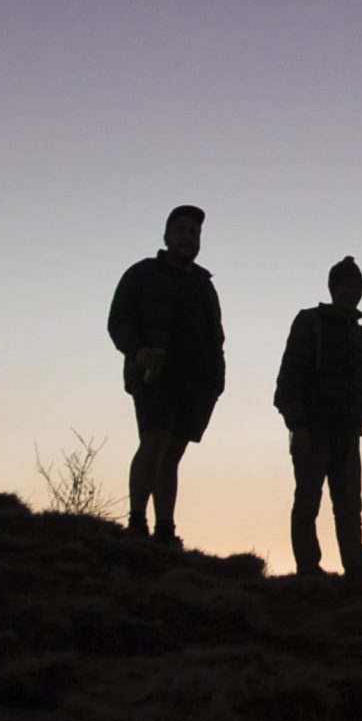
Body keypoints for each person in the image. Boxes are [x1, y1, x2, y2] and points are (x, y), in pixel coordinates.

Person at [107, 205, 226, 550]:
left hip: (196, 382)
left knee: (172, 453)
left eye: (194, 232)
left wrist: (216, 379)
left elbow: (215, 335)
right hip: (154, 374)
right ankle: (137, 521)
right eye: (182, 230)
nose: (188, 237)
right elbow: (119, 320)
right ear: (167, 236)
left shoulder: (204, 285)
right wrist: (138, 351)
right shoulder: (142, 273)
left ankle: (164, 527)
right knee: (155, 442)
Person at [276, 256, 362, 596]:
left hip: (348, 433)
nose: (352, 291)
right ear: (333, 287)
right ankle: (308, 571)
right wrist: (298, 425)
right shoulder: (309, 323)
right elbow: (289, 379)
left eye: (357, 286)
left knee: (350, 507)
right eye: (346, 285)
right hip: (312, 429)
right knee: (308, 501)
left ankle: (357, 575)